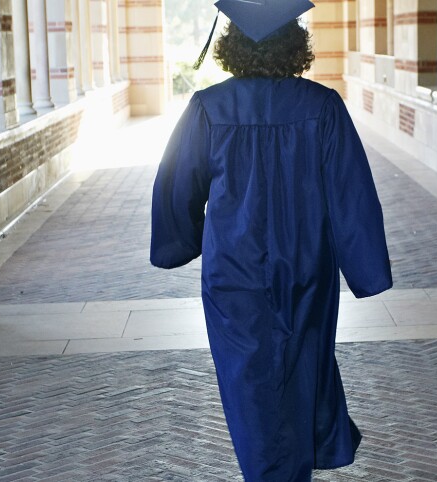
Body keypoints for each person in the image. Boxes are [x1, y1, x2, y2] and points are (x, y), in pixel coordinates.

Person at [150, 1, 392, 479]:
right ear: (294, 46)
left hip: (232, 274)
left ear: (232, 45)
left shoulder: (208, 108)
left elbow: (176, 184)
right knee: (301, 369)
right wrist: (364, 267)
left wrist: (182, 240)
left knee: (248, 384)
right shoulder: (322, 107)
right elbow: (351, 193)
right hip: (306, 268)